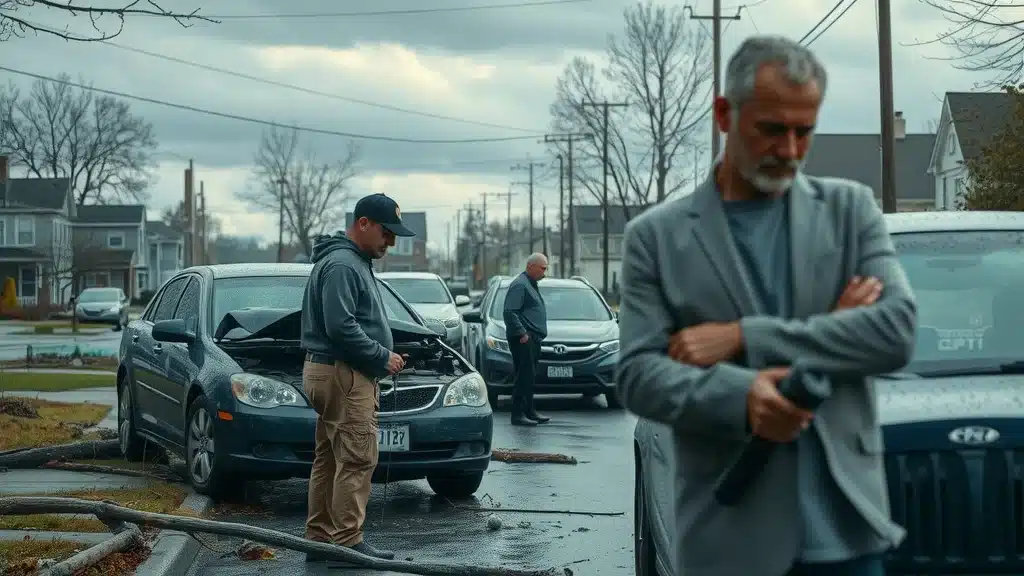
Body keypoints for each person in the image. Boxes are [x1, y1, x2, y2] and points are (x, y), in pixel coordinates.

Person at [615, 35, 917, 576]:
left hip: (849, 536)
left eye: (805, 131)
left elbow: (895, 332)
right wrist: (742, 397)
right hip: (728, 539)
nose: (791, 150)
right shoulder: (655, 238)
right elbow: (638, 376)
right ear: (724, 114)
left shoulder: (851, 211)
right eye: (772, 129)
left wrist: (744, 337)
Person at [299, 193, 415, 563]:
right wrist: (382, 356)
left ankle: (319, 539)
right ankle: (348, 543)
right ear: (363, 224)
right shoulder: (344, 265)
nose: (390, 241)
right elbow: (341, 326)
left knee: (330, 459)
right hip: (343, 374)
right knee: (356, 458)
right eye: (386, 232)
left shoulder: (347, 261)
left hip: (330, 371)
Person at [503, 252, 550, 426]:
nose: (544, 272)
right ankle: (517, 414)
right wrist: (522, 333)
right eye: (542, 268)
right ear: (531, 266)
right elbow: (510, 311)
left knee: (530, 376)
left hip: (533, 338)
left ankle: (529, 411)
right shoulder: (520, 285)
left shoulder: (530, 283)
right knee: (523, 376)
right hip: (524, 339)